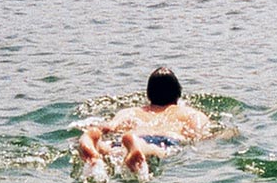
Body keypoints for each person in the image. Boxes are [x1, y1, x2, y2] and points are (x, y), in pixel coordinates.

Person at [75, 65, 213, 177]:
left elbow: (109, 127)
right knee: (153, 149)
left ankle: (95, 143)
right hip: (162, 140)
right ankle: (136, 146)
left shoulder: (130, 112)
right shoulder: (190, 113)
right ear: (178, 94)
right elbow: (199, 135)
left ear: (149, 95)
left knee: (112, 150)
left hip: (122, 140)